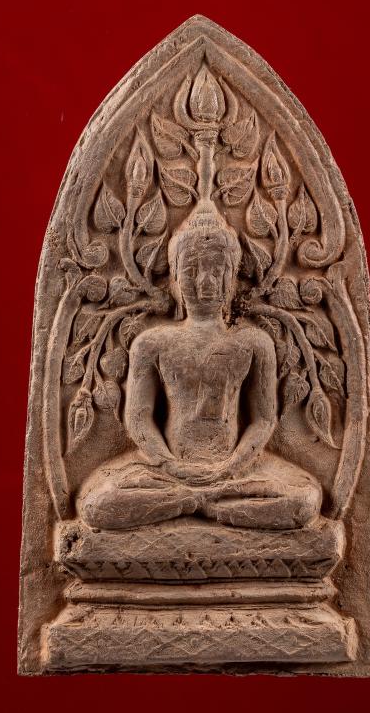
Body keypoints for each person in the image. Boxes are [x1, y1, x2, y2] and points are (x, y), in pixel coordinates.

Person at [78, 202, 321, 530]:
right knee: (96, 503)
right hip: (167, 473)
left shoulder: (254, 342)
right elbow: (138, 419)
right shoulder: (152, 343)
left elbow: (263, 420)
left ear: (230, 277)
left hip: (235, 472)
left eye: (216, 271)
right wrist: (170, 465)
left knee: (305, 500)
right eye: (192, 271)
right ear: (176, 277)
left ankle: (196, 504)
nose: (205, 281)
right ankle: (203, 503)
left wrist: (231, 467)